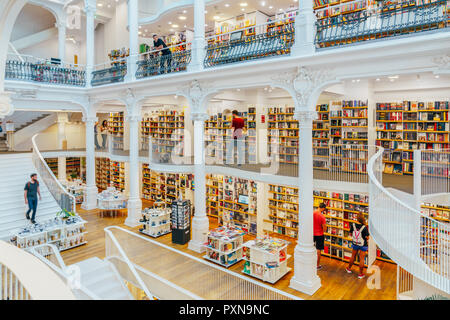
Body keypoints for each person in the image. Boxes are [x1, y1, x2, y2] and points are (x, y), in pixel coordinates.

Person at [346, 212, 370, 279]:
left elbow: (350, 233)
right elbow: (367, 237)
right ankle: (360, 274)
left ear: (357, 217)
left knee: (353, 256)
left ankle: (349, 268)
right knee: (362, 259)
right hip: (363, 244)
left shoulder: (353, 225)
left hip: (355, 243)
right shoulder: (364, 227)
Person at [313, 202, 327, 270]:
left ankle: (310, 263)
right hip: (319, 234)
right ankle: (317, 265)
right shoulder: (322, 216)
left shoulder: (312, 213)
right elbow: (324, 228)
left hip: (312, 234)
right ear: (323, 208)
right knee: (318, 250)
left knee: (311, 247)